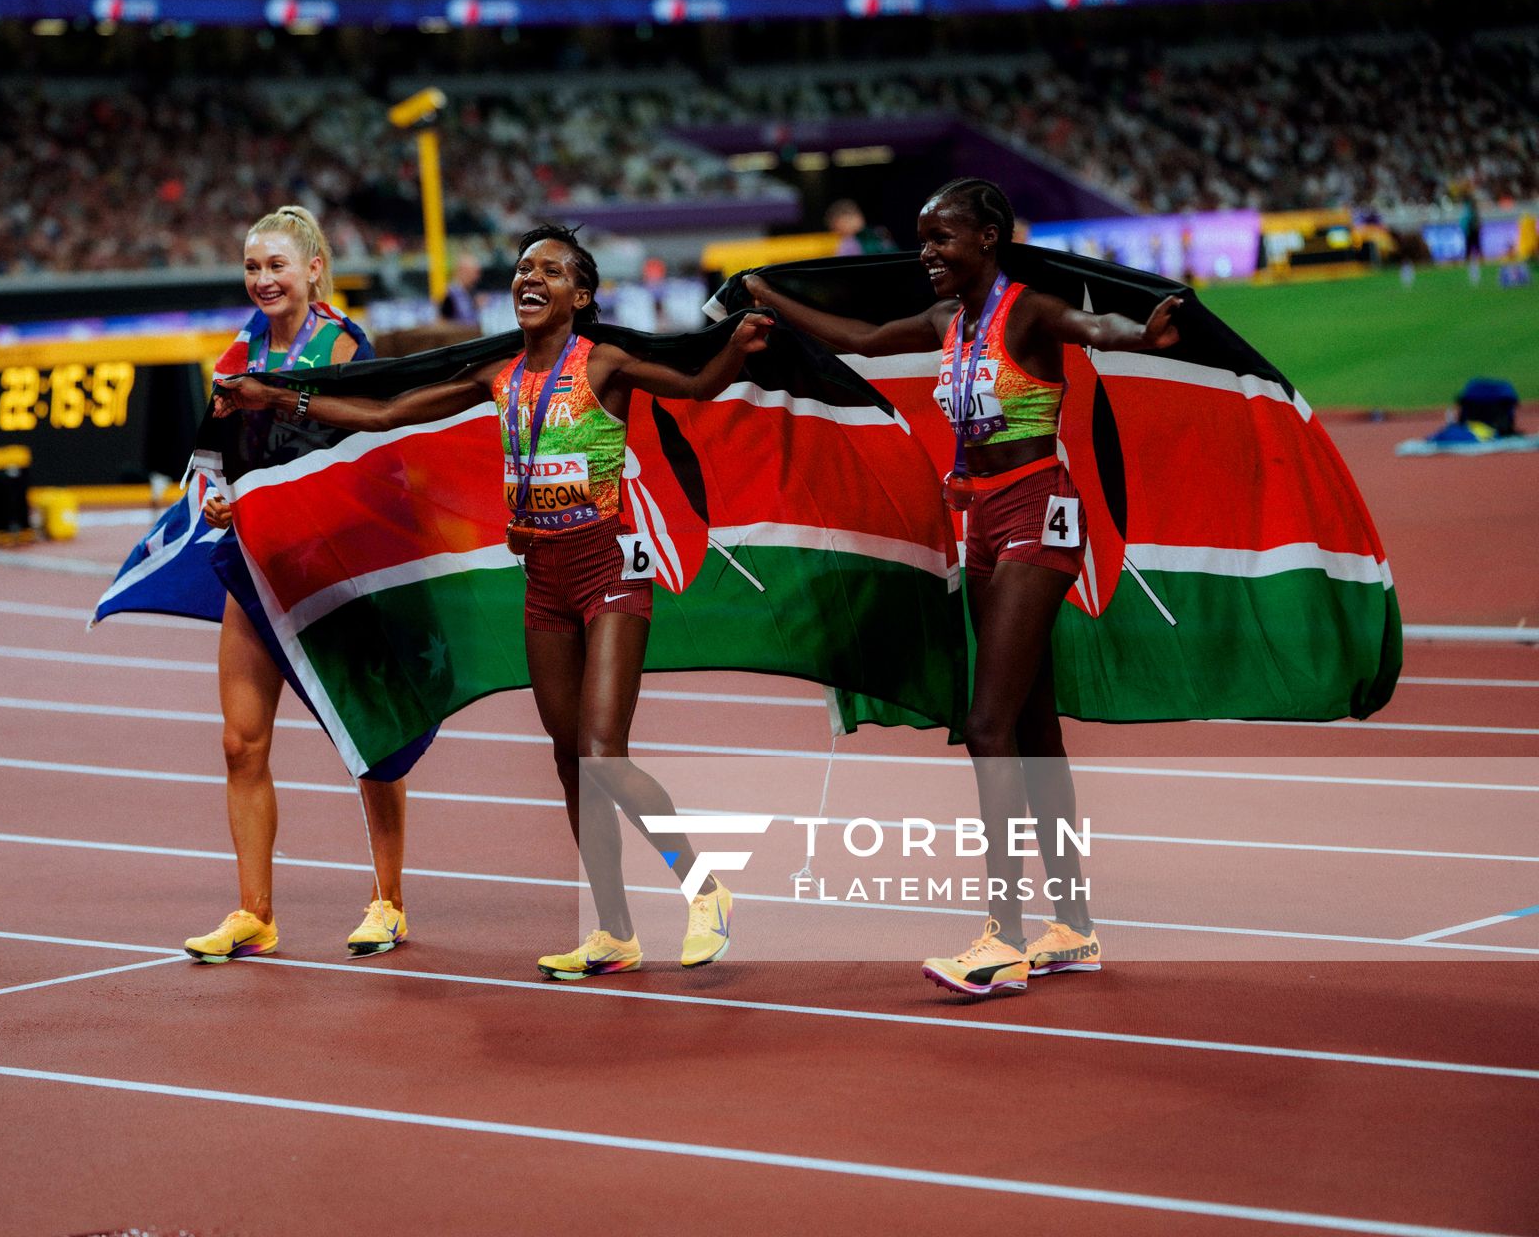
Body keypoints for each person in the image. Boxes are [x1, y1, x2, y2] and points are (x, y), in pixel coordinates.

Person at [215, 224, 774, 981]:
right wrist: (277, 395)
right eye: (521, 269)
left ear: (580, 296)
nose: (529, 277)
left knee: (603, 749)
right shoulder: (498, 374)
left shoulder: (603, 361)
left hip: (608, 568)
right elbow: (387, 414)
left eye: (550, 269)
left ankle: (705, 891)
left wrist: (736, 351)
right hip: (542, 579)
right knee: (569, 758)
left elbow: (698, 386)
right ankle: (613, 929)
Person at [744, 177, 1180, 997]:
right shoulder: (952, 322)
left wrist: (1139, 331)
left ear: (990, 237)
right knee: (1031, 724)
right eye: (922, 239)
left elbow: (1095, 326)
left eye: (943, 238)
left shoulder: (1028, 312)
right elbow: (867, 339)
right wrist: (771, 295)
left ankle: (1004, 935)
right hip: (977, 519)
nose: (928, 254)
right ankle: (1074, 926)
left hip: (1037, 510)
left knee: (986, 725)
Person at [183, 206, 416, 965]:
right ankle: (256, 914)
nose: (263, 280)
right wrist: (212, 501)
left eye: (276, 266)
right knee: (238, 743)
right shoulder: (232, 358)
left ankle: (388, 902)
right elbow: (207, 465)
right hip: (256, 567)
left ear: (314, 269)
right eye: (253, 268)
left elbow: (376, 446)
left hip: (335, 569)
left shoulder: (343, 346)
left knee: (369, 739)